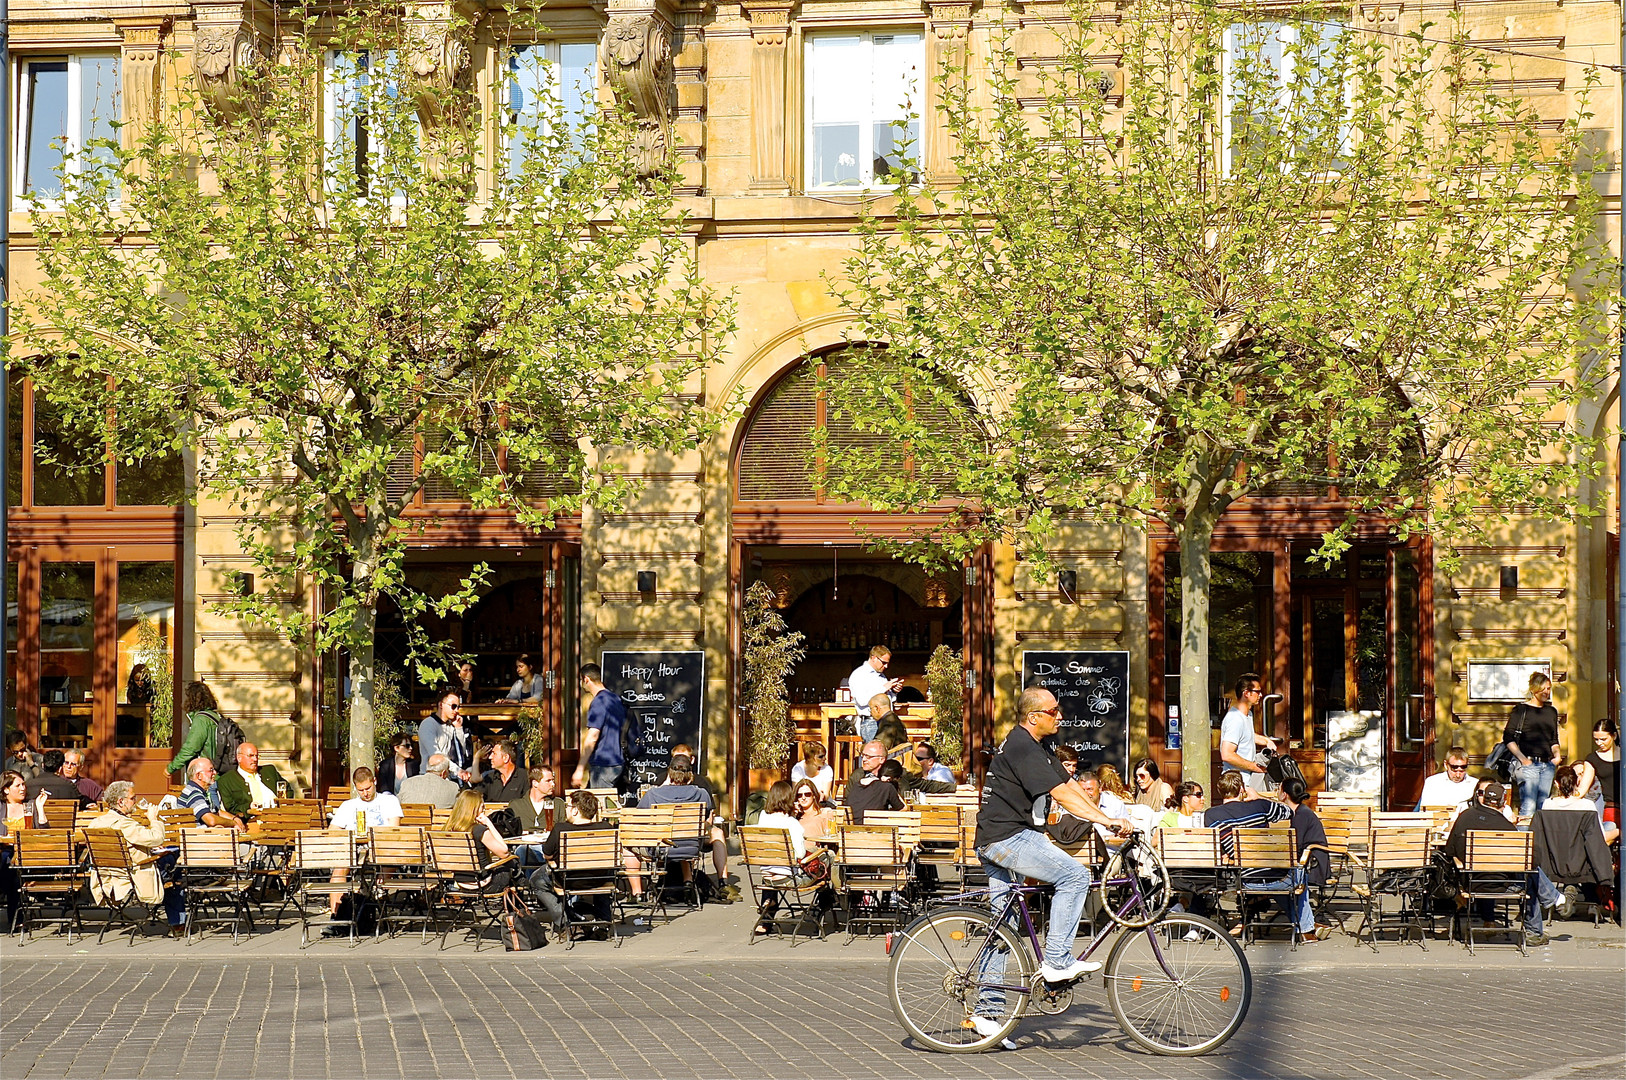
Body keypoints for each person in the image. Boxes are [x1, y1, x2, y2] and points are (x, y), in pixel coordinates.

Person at [974, 684, 1128, 1041]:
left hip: (998, 837)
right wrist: (1106, 822)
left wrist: (1104, 815)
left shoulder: (1038, 746)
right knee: (1075, 876)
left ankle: (987, 1013)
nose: (1061, 715)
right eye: (1054, 711)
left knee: (1004, 928)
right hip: (1006, 838)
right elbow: (1061, 795)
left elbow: (1068, 785)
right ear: (1034, 717)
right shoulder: (1022, 746)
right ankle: (1057, 961)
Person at [1446, 780, 1553, 947]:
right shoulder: (1506, 826)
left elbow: (1449, 850)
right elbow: (1531, 860)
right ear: (1503, 802)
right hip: (1502, 884)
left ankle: (1552, 899)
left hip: (1471, 883)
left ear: (1483, 798)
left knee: (1529, 871)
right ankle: (1535, 930)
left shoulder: (1465, 816)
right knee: (1530, 876)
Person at [85, 780, 186, 936]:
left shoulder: (95, 824)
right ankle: (177, 923)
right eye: (133, 798)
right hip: (132, 875)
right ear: (121, 802)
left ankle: (177, 921)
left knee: (170, 870)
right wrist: (154, 819)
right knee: (174, 868)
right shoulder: (125, 824)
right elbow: (157, 838)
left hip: (107, 877)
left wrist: (147, 849)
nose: (136, 801)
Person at [626, 753, 713, 901]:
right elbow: (705, 817)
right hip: (691, 847)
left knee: (627, 846)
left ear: (669, 773)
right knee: (682, 836)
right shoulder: (701, 794)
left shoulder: (653, 794)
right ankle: (688, 884)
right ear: (690, 774)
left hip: (661, 849)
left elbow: (637, 819)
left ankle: (637, 893)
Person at [751, 779, 832, 936]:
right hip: (790, 878)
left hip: (766, 877)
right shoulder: (792, 823)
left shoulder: (762, 817)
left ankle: (769, 910)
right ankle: (826, 901)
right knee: (826, 858)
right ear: (790, 799)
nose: (801, 798)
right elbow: (800, 855)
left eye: (807, 794)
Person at [532, 789, 616, 938]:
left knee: (535, 881)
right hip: (599, 880)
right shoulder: (606, 828)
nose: (566, 810)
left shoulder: (560, 828)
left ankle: (567, 923)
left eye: (568, 807)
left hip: (569, 880)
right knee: (604, 870)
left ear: (576, 811)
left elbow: (547, 854)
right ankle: (603, 924)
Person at [1280, 778, 1334, 941]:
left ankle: (1306, 926)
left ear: (1284, 794)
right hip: (1303, 862)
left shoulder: (1302, 815)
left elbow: (1296, 846)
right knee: (1273, 884)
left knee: (1282, 881)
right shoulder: (1296, 812)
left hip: (1313, 865)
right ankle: (1308, 924)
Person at [1502, 671, 1561, 819]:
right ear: (1534, 689)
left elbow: (1553, 738)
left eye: (1548, 688)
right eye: (1543, 688)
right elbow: (1508, 737)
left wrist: (1557, 756)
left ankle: (1539, 840)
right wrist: (1523, 760)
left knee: (1543, 807)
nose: (1546, 692)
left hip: (1547, 764)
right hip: (1528, 763)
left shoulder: (1551, 711)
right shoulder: (1521, 710)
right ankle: (1525, 840)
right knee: (1528, 807)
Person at [572, 664, 628, 792]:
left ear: (586, 679)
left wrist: (580, 768)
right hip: (618, 761)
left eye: (581, 680)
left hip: (603, 763)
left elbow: (592, 736)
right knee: (590, 801)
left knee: (599, 805)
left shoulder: (599, 702)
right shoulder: (615, 699)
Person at [1219, 673, 1277, 793]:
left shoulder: (1247, 715)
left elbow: (1247, 735)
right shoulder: (1235, 719)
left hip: (1248, 781)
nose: (1260, 695)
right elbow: (1227, 754)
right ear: (1246, 693)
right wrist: (1254, 767)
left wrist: (1266, 741)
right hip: (1236, 785)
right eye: (1257, 691)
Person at [217, 742, 294, 822]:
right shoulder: (226, 780)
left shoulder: (269, 771)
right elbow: (231, 808)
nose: (255, 759)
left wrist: (283, 805)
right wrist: (249, 806)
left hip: (280, 817)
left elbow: (288, 790)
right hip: (253, 822)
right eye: (250, 756)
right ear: (239, 758)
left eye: (256, 756)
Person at [1574, 718, 1620, 842]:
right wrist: (1567, 799)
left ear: (1614, 736)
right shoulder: (1592, 759)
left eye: (1603, 739)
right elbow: (1583, 788)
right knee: (1604, 840)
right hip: (1611, 807)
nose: (1599, 743)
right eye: (1596, 739)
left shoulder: (1623, 753)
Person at [167, 681, 226, 778]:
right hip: (218, 771)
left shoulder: (201, 720)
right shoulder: (216, 716)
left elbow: (191, 748)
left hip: (205, 773)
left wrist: (171, 768)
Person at [418, 688, 474, 786]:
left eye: (458, 707)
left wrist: (459, 729)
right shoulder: (428, 724)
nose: (456, 710)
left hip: (446, 777)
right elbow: (435, 755)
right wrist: (458, 771)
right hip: (429, 776)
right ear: (441, 705)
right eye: (453, 706)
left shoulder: (450, 725)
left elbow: (462, 751)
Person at [848, 646, 902, 744]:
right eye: (884, 663)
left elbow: (884, 699)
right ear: (874, 658)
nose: (886, 666)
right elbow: (862, 700)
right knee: (875, 755)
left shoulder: (881, 675)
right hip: (871, 722)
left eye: (888, 663)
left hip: (886, 720)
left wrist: (893, 691)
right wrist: (884, 687)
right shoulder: (859, 674)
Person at [178, 758, 245, 830]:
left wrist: (235, 818)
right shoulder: (194, 793)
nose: (215, 773)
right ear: (199, 775)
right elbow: (211, 820)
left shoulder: (201, 791)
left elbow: (217, 812)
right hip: (197, 838)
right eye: (211, 770)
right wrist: (232, 823)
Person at [845, 745, 905, 823]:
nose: (864, 759)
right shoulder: (857, 776)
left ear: (882, 759)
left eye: (869, 757)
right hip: (871, 829)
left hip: (863, 828)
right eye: (863, 756)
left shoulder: (895, 774)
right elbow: (903, 808)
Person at [1417, 746, 1478, 810]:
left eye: (1462, 771)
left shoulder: (1475, 784)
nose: (1458, 775)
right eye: (1454, 770)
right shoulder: (1433, 782)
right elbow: (1425, 810)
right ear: (1446, 765)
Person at [510, 766, 566, 834]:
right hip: (524, 843)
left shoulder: (558, 803)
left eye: (553, 780)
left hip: (548, 843)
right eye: (548, 781)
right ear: (535, 783)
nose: (553, 784)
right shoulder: (516, 805)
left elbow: (563, 830)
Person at [24, 750, 90, 807]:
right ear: (60, 768)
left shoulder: (27, 786)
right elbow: (82, 802)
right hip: (63, 821)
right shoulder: (69, 786)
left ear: (43, 765)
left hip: (34, 821)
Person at [479, 739, 529, 803]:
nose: (490, 757)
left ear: (506, 758)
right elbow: (475, 796)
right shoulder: (489, 778)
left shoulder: (524, 777)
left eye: (494, 754)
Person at [792, 777, 835, 841]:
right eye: (799, 795)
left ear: (814, 795)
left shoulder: (825, 813)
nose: (803, 798)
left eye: (807, 794)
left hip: (818, 849)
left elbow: (832, 837)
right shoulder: (795, 817)